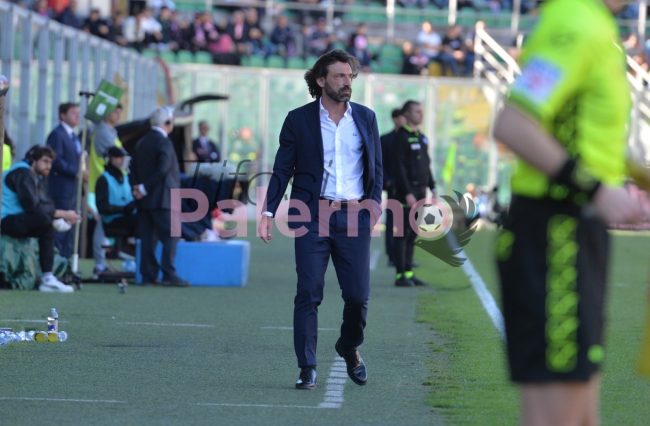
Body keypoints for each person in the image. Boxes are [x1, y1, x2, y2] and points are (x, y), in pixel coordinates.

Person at [492, 0, 645, 424]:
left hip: (571, 232)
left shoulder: (594, 23)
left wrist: (631, 174)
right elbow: (514, 124)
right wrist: (595, 189)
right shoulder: (576, 24)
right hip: (555, 233)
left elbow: (577, 134)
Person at [258, 50, 382, 390]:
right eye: (339, 76)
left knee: (357, 296)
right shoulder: (298, 120)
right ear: (320, 79)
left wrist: (373, 205)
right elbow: (283, 169)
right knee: (309, 291)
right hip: (311, 215)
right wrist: (268, 211)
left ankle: (348, 346)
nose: (347, 82)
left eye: (350, 76)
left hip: (354, 216)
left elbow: (376, 168)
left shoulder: (366, 118)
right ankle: (307, 366)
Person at [1, 145, 79, 292]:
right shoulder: (22, 173)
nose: (48, 166)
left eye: (50, 162)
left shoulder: (31, 174)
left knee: (46, 225)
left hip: (16, 220)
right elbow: (31, 205)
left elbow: (45, 203)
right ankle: (47, 278)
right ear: (33, 160)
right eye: (45, 161)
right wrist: (61, 215)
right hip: (5, 221)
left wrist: (56, 217)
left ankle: (48, 277)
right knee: (44, 221)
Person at [130, 107, 188, 287]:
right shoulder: (164, 143)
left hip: (144, 199)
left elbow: (133, 168)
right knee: (172, 234)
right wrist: (145, 187)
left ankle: (148, 275)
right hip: (163, 198)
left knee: (148, 237)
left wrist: (138, 188)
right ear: (168, 123)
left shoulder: (141, 142)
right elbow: (163, 169)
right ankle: (168, 273)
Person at [392, 100, 435, 287]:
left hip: (421, 191)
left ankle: (409, 272)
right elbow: (399, 168)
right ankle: (400, 275)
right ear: (407, 114)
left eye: (421, 111)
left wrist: (433, 186)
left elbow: (426, 164)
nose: (421, 114)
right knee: (402, 233)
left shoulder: (422, 137)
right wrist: (407, 192)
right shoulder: (401, 137)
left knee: (414, 233)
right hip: (406, 193)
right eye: (417, 111)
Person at [88, 104, 123, 277]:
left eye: (119, 112)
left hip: (109, 184)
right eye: (115, 111)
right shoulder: (103, 131)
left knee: (103, 224)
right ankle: (99, 264)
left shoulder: (110, 131)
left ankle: (101, 263)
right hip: (101, 184)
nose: (117, 115)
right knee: (102, 223)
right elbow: (115, 156)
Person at [46, 102, 81, 259]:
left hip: (72, 190)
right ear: (62, 115)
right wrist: (76, 171)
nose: (77, 116)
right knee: (60, 226)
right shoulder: (57, 135)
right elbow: (56, 160)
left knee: (70, 227)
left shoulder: (74, 136)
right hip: (60, 189)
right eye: (73, 112)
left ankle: (66, 261)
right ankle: (56, 261)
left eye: (78, 113)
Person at [380, 108, 405, 267]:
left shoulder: (410, 138)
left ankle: (404, 257)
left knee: (406, 223)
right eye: (401, 117)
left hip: (408, 188)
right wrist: (387, 181)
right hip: (393, 188)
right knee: (391, 222)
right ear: (395, 119)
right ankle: (391, 255)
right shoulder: (385, 139)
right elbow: (380, 163)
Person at [96, 146, 136, 238]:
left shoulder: (126, 177)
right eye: (119, 157)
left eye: (123, 157)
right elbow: (102, 208)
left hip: (128, 217)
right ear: (110, 159)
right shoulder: (104, 179)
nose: (122, 160)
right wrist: (124, 209)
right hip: (112, 221)